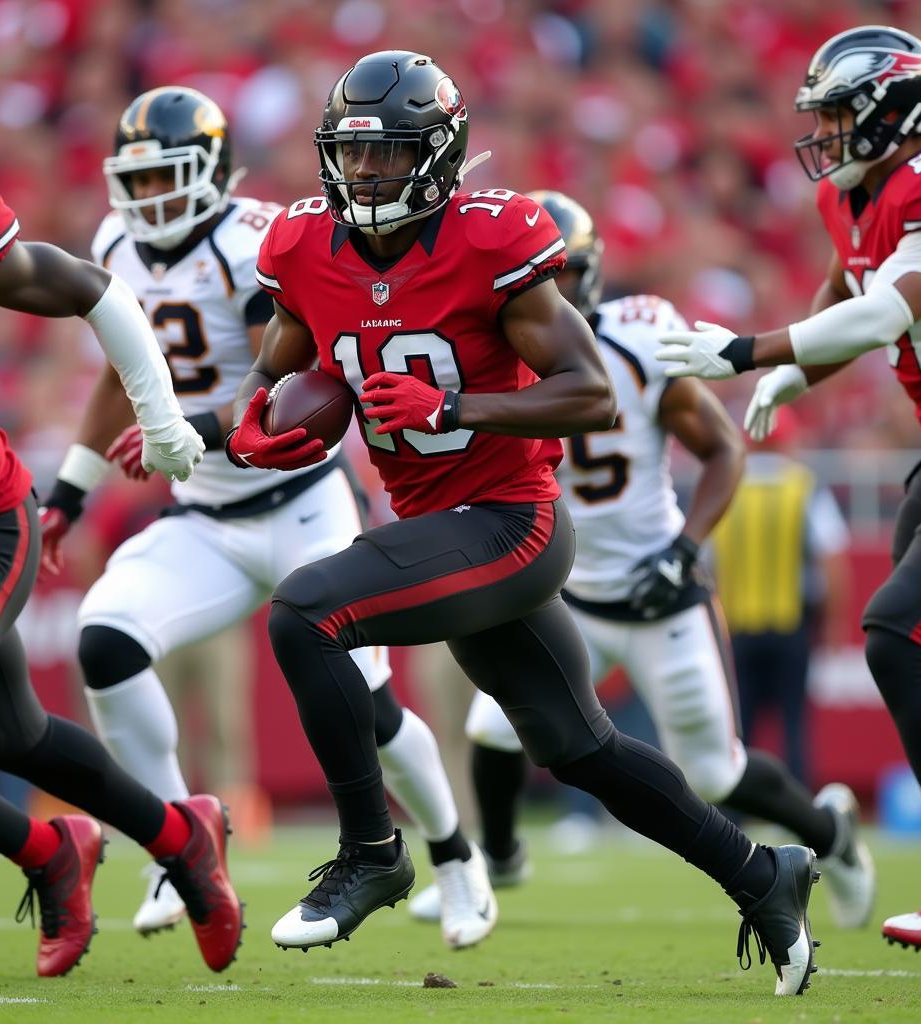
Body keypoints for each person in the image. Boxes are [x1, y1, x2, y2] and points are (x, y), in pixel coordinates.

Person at [229, 50, 821, 996]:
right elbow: (281, 366)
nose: (368, 173)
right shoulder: (305, 247)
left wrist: (452, 410)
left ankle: (372, 851)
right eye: (354, 153)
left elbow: (590, 394)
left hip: (513, 524)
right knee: (579, 747)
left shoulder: (494, 238)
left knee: (306, 613)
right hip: (438, 523)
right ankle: (762, 873)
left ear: (442, 154)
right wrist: (252, 423)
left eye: (391, 155)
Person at [39, 86, 494, 950]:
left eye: (167, 177)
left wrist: (189, 430)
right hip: (204, 514)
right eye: (134, 180)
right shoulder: (113, 246)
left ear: (212, 171)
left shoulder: (255, 245)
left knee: (369, 700)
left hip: (299, 502)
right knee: (105, 638)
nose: (149, 199)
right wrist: (70, 488)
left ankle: (455, 851)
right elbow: (120, 378)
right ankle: (179, 844)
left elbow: (297, 388)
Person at [405, 191, 873, 933]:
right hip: (565, 595)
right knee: (492, 726)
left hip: (660, 595)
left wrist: (685, 550)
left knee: (717, 772)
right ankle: (496, 862)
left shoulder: (638, 340)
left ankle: (829, 833)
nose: (548, 292)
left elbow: (724, 450)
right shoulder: (481, 353)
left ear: (584, 276)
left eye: (559, 275)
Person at [0, 90, 242, 977]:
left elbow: (100, 291)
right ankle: (183, 834)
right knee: (8, 737)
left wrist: (163, 416)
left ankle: (43, 855)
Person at [654, 24, 921, 954]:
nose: (828, 131)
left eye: (844, 112)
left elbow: (894, 305)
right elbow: (842, 287)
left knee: (896, 635)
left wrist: (750, 351)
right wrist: (793, 373)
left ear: (896, 111)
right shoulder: (853, 199)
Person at [711, 407, 851, 786]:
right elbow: (832, 558)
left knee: (739, 732)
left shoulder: (727, 485)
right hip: (790, 626)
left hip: (736, 628)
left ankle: (735, 815)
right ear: (786, 440)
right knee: (794, 727)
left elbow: (706, 564)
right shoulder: (803, 484)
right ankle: (801, 813)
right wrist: (836, 624)